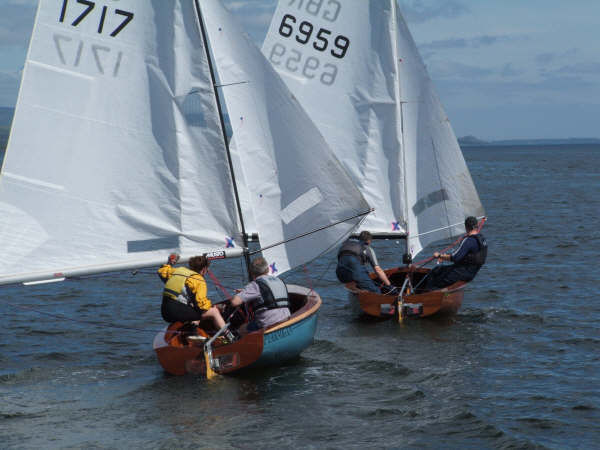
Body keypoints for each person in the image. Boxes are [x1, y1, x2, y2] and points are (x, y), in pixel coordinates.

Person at [158, 254, 234, 340]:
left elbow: (162, 271)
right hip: (178, 312)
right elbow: (202, 306)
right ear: (204, 269)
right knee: (214, 312)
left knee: (194, 309)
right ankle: (231, 338)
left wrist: (170, 263)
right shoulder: (199, 280)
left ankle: (193, 334)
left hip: (165, 312)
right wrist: (215, 307)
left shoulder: (178, 270)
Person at [229, 257, 290, 334]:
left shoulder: (255, 285)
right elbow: (268, 293)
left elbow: (234, 302)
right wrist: (246, 292)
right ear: (267, 269)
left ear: (251, 273)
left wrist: (243, 292)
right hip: (287, 319)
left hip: (269, 324)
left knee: (242, 329)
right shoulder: (279, 280)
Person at [426, 216, 487, 290]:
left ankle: (425, 296)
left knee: (435, 278)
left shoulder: (468, 241)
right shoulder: (482, 239)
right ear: (476, 226)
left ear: (466, 227)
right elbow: (463, 255)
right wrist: (444, 256)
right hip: (471, 273)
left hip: (462, 272)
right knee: (437, 270)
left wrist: (439, 255)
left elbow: (455, 257)